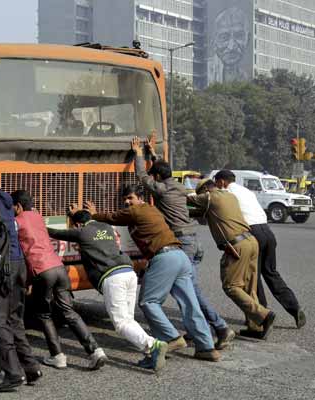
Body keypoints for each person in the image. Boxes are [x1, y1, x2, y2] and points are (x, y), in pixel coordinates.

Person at [87, 185, 220, 362]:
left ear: (140, 198)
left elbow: (112, 217)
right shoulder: (151, 210)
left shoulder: (137, 210)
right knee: (190, 304)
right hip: (179, 257)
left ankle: (172, 338)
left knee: (148, 301)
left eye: (130, 198)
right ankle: (207, 347)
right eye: (125, 199)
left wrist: (93, 214)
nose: (127, 202)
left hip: (165, 257)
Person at [132, 136, 235, 350]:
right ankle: (201, 330)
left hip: (182, 242)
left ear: (159, 177)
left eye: (156, 177)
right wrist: (153, 153)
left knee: (189, 291)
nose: (155, 180)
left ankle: (220, 326)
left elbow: (142, 176)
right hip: (194, 241)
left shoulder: (161, 189)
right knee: (187, 289)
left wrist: (138, 154)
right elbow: (163, 170)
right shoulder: (178, 186)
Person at [48, 209, 169, 371]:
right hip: (128, 271)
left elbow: (56, 233)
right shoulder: (106, 228)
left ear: (78, 224)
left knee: (121, 324)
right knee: (128, 319)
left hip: (113, 277)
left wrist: (39, 224)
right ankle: (150, 355)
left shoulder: (82, 232)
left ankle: (153, 344)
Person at [12, 190, 107, 370]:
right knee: (68, 311)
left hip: (42, 270)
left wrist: (26, 281)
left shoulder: (16, 222)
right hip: (59, 267)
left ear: (18, 206)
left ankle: (57, 356)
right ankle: (95, 350)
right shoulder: (38, 217)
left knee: (44, 314)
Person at [213, 170, 305, 329]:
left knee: (253, 276)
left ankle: (261, 316)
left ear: (221, 182)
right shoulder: (246, 191)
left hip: (252, 233)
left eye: (216, 183)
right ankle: (294, 308)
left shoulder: (225, 193)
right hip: (267, 232)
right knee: (271, 273)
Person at [0, 174, 41, 392]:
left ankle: (13, 374)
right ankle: (31, 367)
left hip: (2, 267)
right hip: (19, 264)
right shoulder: (8, 202)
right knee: (14, 319)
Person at [188, 179, 275, 339]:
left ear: (206, 189)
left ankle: (264, 315)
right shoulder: (229, 196)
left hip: (237, 245)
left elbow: (187, 199)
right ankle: (255, 327)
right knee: (249, 286)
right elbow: (206, 213)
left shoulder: (209, 197)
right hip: (251, 241)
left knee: (231, 286)